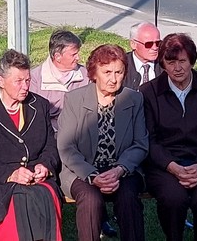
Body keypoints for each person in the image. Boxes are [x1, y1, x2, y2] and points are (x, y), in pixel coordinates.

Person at [138, 33, 197, 241]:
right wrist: (173, 167)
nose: (177, 68)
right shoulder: (148, 92)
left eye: (182, 61)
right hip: (165, 164)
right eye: (170, 62)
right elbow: (149, 138)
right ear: (163, 64)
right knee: (173, 199)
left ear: (192, 62)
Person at [0, 49, 61, 240]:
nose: (25, 86)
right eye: (18, 81)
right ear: (1, 81)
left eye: (27, 80)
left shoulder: (39, 104)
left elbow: (50, 146)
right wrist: (11, 174)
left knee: (44, 194)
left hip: (35, 177)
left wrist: (45, 166)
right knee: (19, 197)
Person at [57, 44, 148, 241]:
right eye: (107, 72)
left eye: (119, 72)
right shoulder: (74, 99)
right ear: (94, 73)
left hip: (124, 171)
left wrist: (119, 170)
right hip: (81, 171)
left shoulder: (134, 99)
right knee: (90, 199)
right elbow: (66, 146)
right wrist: (92, 175)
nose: (113, 79)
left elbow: (140, 144)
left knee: (128, 198)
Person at [32, 30, 89, 129]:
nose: (78, 57)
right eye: (73, 54)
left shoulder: (86, 75)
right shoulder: (35, 79)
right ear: (57, 57)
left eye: (77, 53)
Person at [124, 22, 163, 90]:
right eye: (149, 44)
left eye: (158, 43)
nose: (155, 48)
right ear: (133, 44)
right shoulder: (122, 65)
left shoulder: (165, 64)